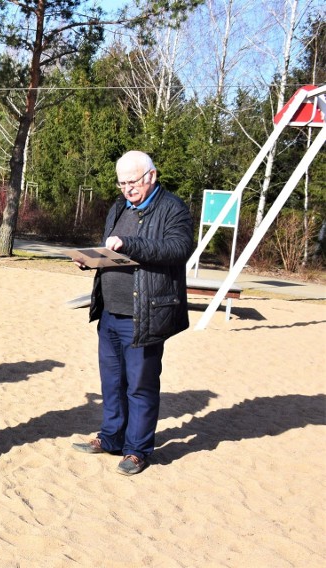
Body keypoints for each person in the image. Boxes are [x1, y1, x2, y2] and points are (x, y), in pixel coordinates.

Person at [72, 150, 193, 475]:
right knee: (112, 382)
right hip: (110, 312)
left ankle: (137, 450)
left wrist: (130, 244)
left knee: (140, 385)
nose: (127, 189)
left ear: (151, 176)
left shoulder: (173, 208)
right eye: (122, 183)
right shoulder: (119, 206)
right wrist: (91, 260)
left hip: (146, 313)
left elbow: (178, 249)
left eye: (133, 182)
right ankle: (111, 438)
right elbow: (112, 251)